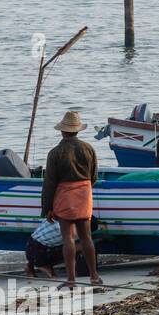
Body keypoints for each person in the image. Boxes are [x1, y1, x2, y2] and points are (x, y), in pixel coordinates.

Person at [41, 111, 101, 287]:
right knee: (86, 237)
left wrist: (47, 208)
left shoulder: (55, 152)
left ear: (62, 131)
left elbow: (50, 183)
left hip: (64, 197)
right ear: (77, 130)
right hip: (84, 195)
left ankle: (71, 280)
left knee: (68, 238)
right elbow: (94, 176)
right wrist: (84, 189)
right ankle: (94, 277)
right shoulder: (88, 148)